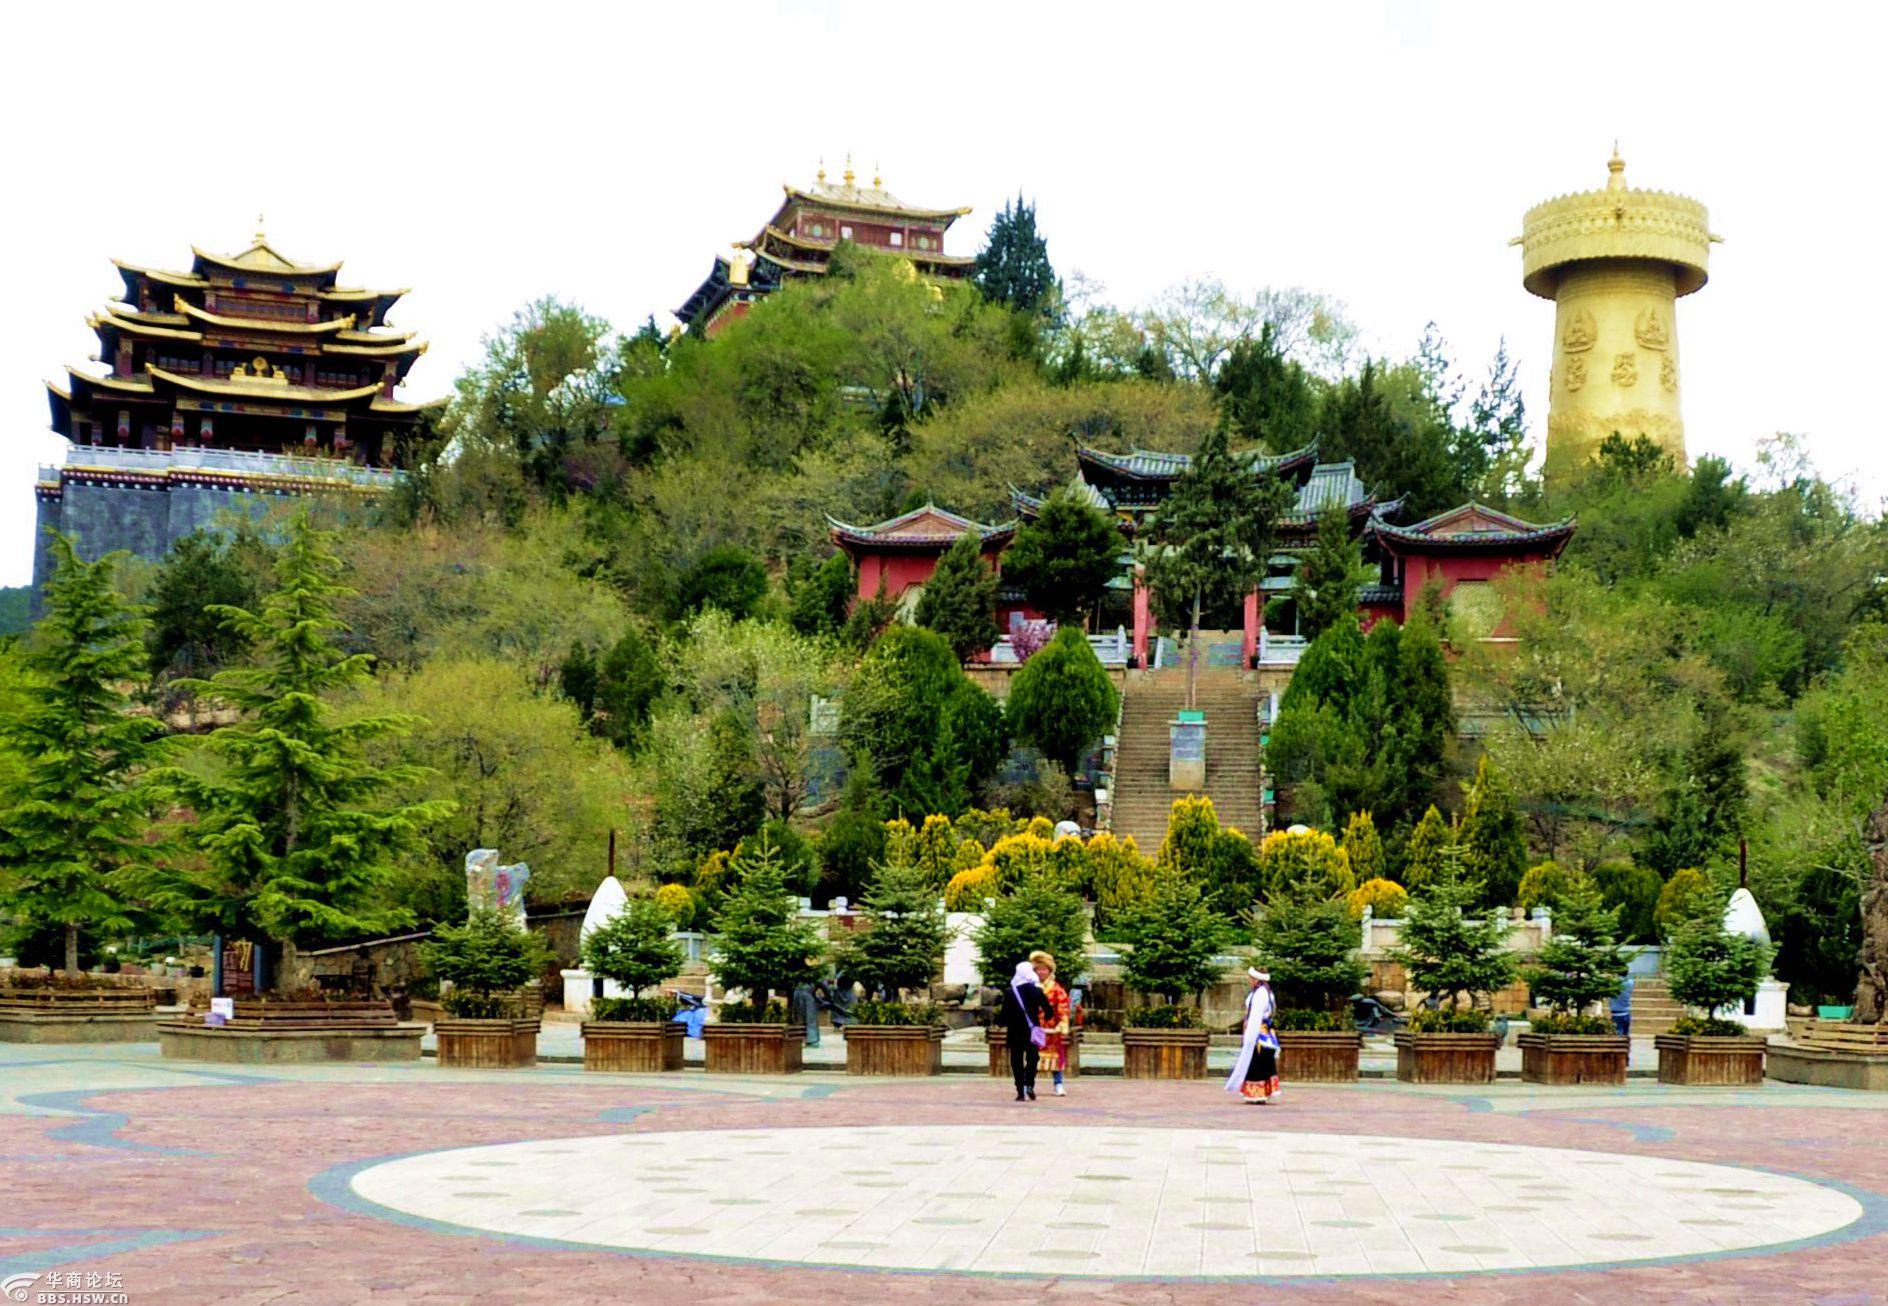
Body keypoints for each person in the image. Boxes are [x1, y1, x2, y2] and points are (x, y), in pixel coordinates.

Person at [1224, 968, 1281, 1104]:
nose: (1249, 981)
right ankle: (1261, 1093)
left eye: (1251, 978)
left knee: (1257, 1062)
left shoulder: (1261, 993)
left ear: (1257, 979)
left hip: (1259, 1034)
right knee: (1261, 1062)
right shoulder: (1263, 991)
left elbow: (1256, 1016)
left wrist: (1250, 1034)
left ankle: (1258, 1093)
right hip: (1264, 1033)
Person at [1000, 959, 1053, 1102]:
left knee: (1016, 1060)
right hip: (1032, 1031)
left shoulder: (1011, 992)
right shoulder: (1037, 991)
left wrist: (1002, 1022)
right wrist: (1040, 1019)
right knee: (1032, 1058)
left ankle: (1020, 1090)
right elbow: (1049, 1012)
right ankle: (1029, 1083)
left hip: (1015, 1031)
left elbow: (1003, 1016)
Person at [1030, 950, 1071, 1097]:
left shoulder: (1056, 989)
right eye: (1038, 969)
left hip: (1051, 1029)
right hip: (1034, 1028)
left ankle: (1058, 1084)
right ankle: (1029, 1084)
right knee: (1031, 1058)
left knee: (1055, 1058)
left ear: (1049, 970)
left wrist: (1062, 1023)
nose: (1041, 972)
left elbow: (1063, 1007)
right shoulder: (1030, 987)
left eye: (1044, 969)